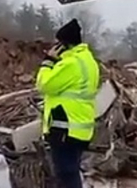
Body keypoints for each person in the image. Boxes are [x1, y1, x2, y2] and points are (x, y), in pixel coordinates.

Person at [35, 19, 100, 188]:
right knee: (70, 172)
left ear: (64, 44)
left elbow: (44, 85)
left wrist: (48, 61)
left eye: (58, 43)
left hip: (65, 128)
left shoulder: (71, 63)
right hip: (80, 128)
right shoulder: (88, 61)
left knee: (66, 174)